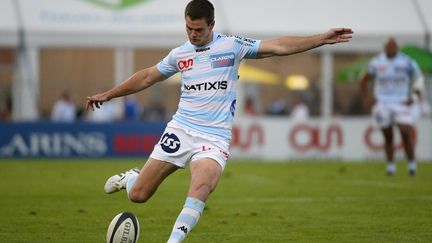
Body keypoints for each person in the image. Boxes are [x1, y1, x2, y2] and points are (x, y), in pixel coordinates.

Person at [86, 0, 353, 241]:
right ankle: (132, 178)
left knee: (201, 187)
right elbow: (146, 77)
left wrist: (321, 38)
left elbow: (279, 46)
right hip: (181, 129)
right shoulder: (180, 54)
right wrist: (109, 95)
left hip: (214, 137)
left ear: (212, 25)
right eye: (189, 28)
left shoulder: (231, 46)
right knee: (138, 195)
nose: (193, 34)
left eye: (198, 30)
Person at [359, 37, 425, 176]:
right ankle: (391, 166)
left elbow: (418, 78)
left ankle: (412, 165)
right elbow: (363, 79)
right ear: (384, 48)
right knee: (388, 135)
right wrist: (366, 98)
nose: (390, 49)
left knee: (405, 132)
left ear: (397, 47)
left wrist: (414, 96)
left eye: (393, 47)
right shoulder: (377, 62)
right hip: (382, 102)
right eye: (388, 47)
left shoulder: (406, 61)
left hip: (401, 102)